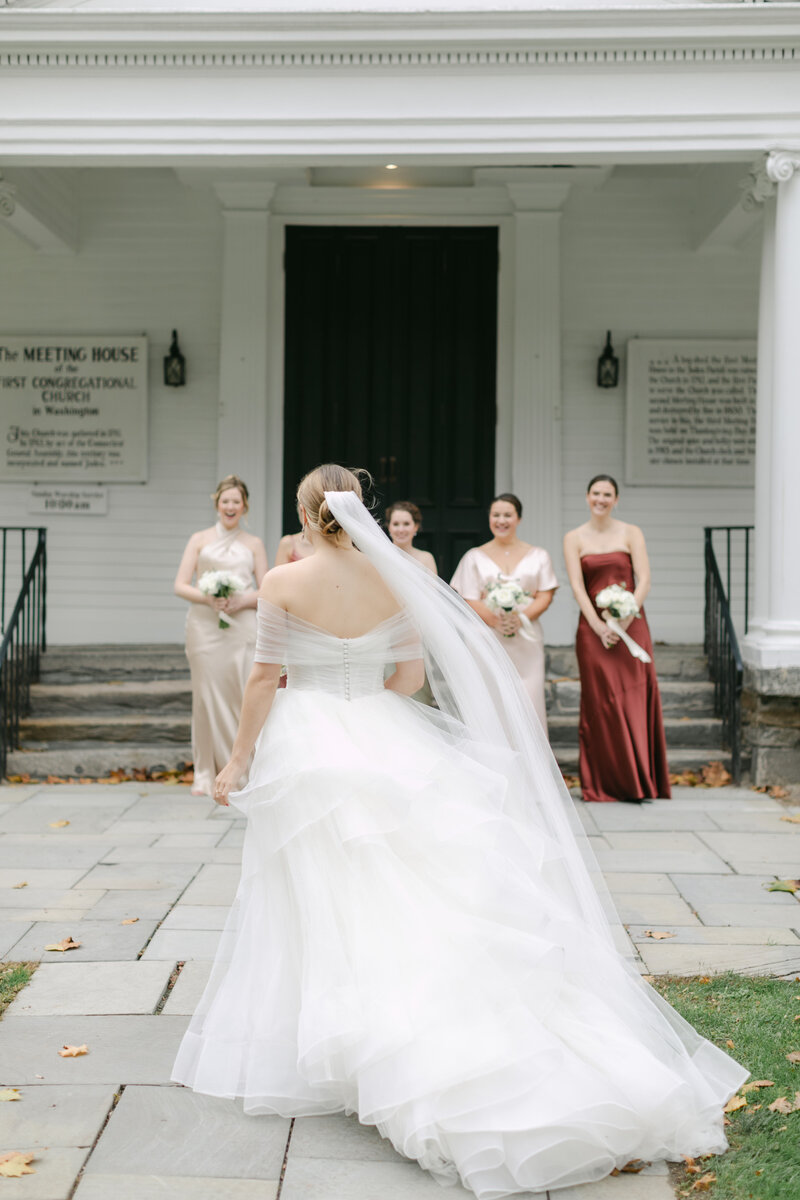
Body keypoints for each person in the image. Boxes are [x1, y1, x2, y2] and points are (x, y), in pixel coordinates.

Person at [173, 463, 745, 1199]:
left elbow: (262, 679)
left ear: (306, 514)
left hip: (310, 737)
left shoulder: (283, 582)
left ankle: (348, 1044)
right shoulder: (396, 578)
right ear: (358, 509)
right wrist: (364, 699)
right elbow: (409, 681)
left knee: (322, 890)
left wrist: (238, 758)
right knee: (406, 886)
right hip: (382, 733)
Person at [563, 474, 671, 804]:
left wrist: (626, 615)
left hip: (632, 626)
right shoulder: (574, 537)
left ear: (616, 499)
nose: (601, 499)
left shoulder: (631, 532)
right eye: (596, 493)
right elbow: (578, 588)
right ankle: (602, 783)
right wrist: (598, 626)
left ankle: (638, 782)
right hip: (593, 630)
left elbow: (645, 580)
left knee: (633, 697)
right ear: (586, 497)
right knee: (601, 702)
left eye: (607, 494)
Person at [173, 474, 268, 797]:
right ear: (217, 504)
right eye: (225, 501)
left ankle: (242, 768)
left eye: (236, 502)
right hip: (204, 626)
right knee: (205, 697)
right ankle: (205, 772)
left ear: (245, 507)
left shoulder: (253, 544)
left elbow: (267, 587)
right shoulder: (198, 539)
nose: (230, 506)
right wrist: (209, 599)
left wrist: (241, 600)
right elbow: (181, 584)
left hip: (241, 625)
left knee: (241, 695)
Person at [450, 493, 557, 732]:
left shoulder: (539, 555)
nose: (501, 520)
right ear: (489, 519)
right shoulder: (474, 557)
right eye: (496, 515)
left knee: (528, 697)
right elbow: (468, 597)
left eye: (507, 515)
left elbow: (545, 594)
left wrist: (521, 619)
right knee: (490, 694)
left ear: (518, 518)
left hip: (526, 638)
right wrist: (496, 621)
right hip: (487, 635)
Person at [386, 500, 437, 574]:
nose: (401, 530)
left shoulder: (426, 558)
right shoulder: (379, 555)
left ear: (416, 526)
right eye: (396, 524)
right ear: (389, 527)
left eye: (406, 524)